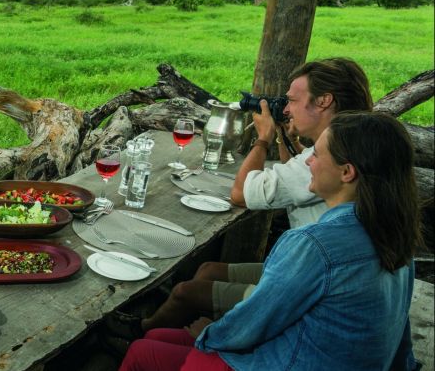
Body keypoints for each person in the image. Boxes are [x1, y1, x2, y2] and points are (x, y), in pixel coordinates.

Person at [119, 111, 421, 371]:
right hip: (336, 358)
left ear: (346, 172)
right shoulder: (393, 233)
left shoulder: (314, 244)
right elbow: (398, 331)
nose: (310, 162)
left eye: (316, 154)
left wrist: (210, 335)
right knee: (159, 338)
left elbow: (258, 318)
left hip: (298, 362)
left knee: (143, 352)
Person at [105, 58, 374, 337]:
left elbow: (240, 193)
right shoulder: (351, 146)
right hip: (312, 273)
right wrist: (287, 137)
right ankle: (191, 329)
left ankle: (141, 333)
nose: (287, 108)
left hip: (305, 285)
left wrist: (264, 138)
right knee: (208, 269)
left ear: (324, 101)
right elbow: (294, 170)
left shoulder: (329, 164)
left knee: (186, 291)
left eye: (293, 100)